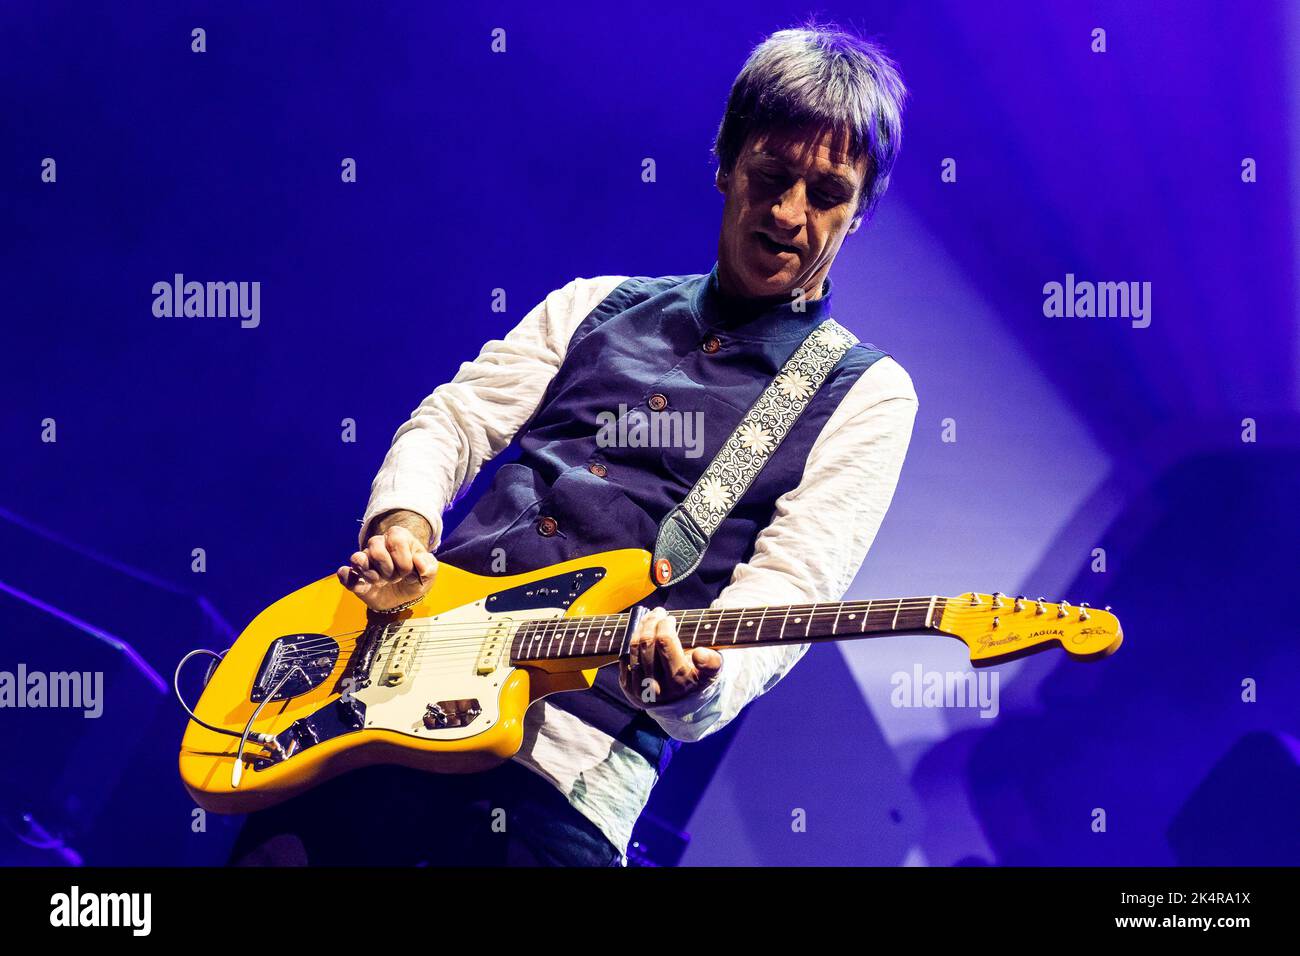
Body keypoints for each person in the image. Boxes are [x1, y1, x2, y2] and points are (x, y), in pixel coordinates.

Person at [231, 22, 916, 867]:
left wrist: (697, 683)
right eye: (771, 177)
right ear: (726, 163)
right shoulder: (595, 302)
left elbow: (786, 596)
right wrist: (404, 526)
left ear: (860, 212)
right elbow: (454, 419)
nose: (788, 214)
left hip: (558, 783)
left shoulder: (864, 393)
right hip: (382, 698)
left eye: (826, 194)